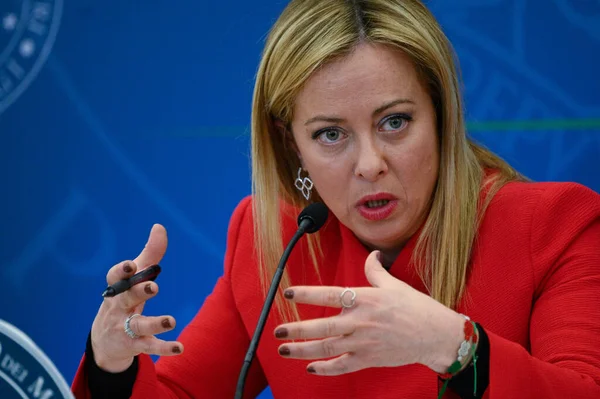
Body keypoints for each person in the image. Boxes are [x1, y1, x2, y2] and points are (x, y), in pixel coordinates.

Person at [71, 0, 600, 398]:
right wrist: (111, 363)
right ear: (289, 142)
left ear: (441, 116)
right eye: (331, 134)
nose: (370, 163)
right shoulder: (271, 236)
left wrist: (455, 346)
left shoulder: (552, 225)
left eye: (395, 122)